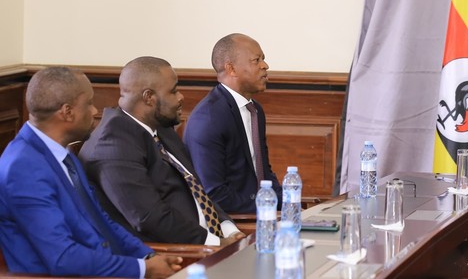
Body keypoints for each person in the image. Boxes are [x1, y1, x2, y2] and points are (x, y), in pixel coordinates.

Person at [0, 67, 181, 278]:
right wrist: (142, 270)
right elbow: (63, 258)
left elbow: (101, 220)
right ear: (67, 112)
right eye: (89, 103)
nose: (95, 110)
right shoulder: (23, 168)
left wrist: (147, 257)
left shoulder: (65, 156)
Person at [79, 57, 244, 246]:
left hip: (211, 242)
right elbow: (149, 217)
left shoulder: (161, 128)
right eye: (173, 91)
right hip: (178, 254)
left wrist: (229, 228)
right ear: (149, 97)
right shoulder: (113, 144)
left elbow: (196, 190)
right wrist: (216, 244)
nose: (181, 97)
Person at [184, 33, 282, 213]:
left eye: (264, 59)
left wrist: (290, 203)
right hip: (231, 221)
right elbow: (214, 194)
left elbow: (263, 172)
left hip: (260, 213)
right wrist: (267, 208)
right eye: (256, 60)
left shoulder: (255, 110)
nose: (265, 66)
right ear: (231, 69)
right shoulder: (209, 118)